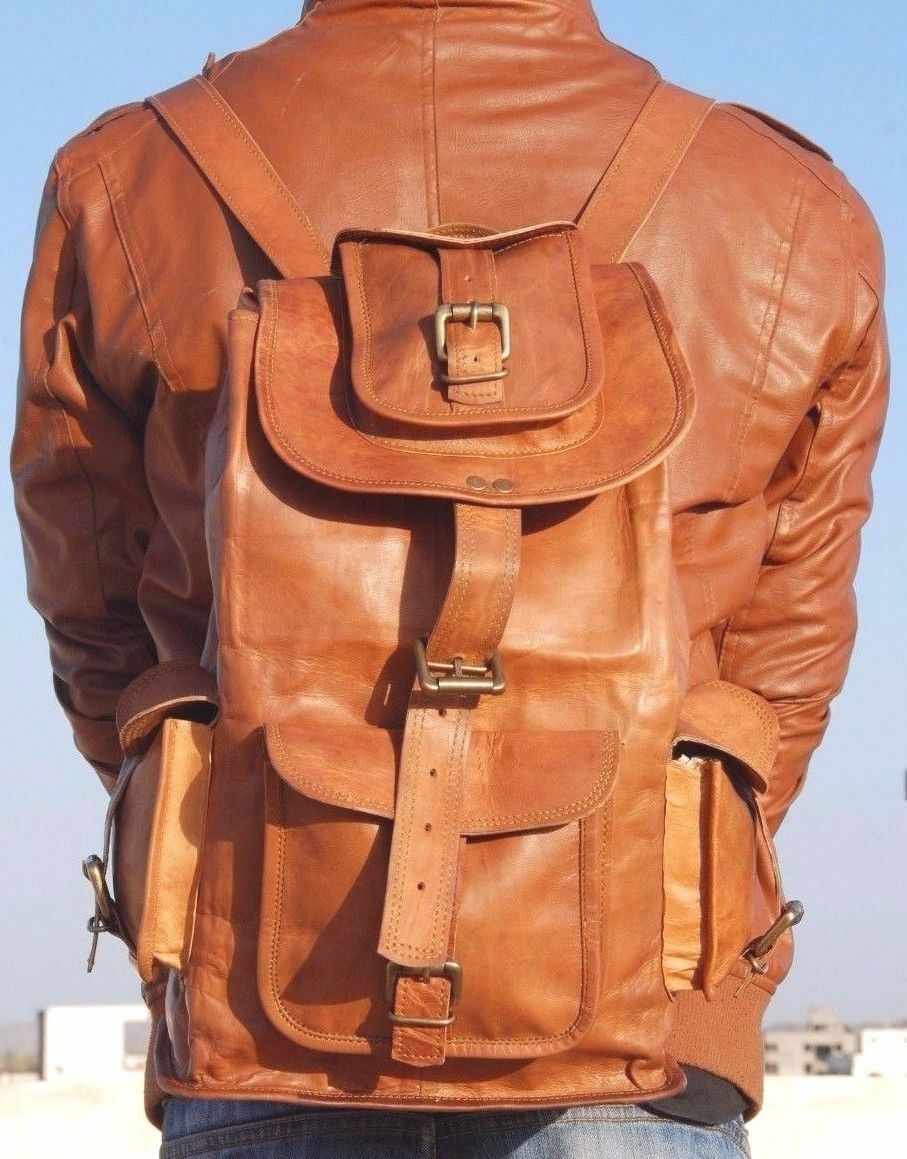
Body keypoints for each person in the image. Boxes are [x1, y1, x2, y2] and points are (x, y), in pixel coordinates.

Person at [11, 2, 888, 1157]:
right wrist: (628, 875)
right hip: (650, 1023)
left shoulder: (127, 176)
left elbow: (94, 608)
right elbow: (787, 654)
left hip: (260, 1003)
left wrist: (235, 840)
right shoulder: (786, 202)